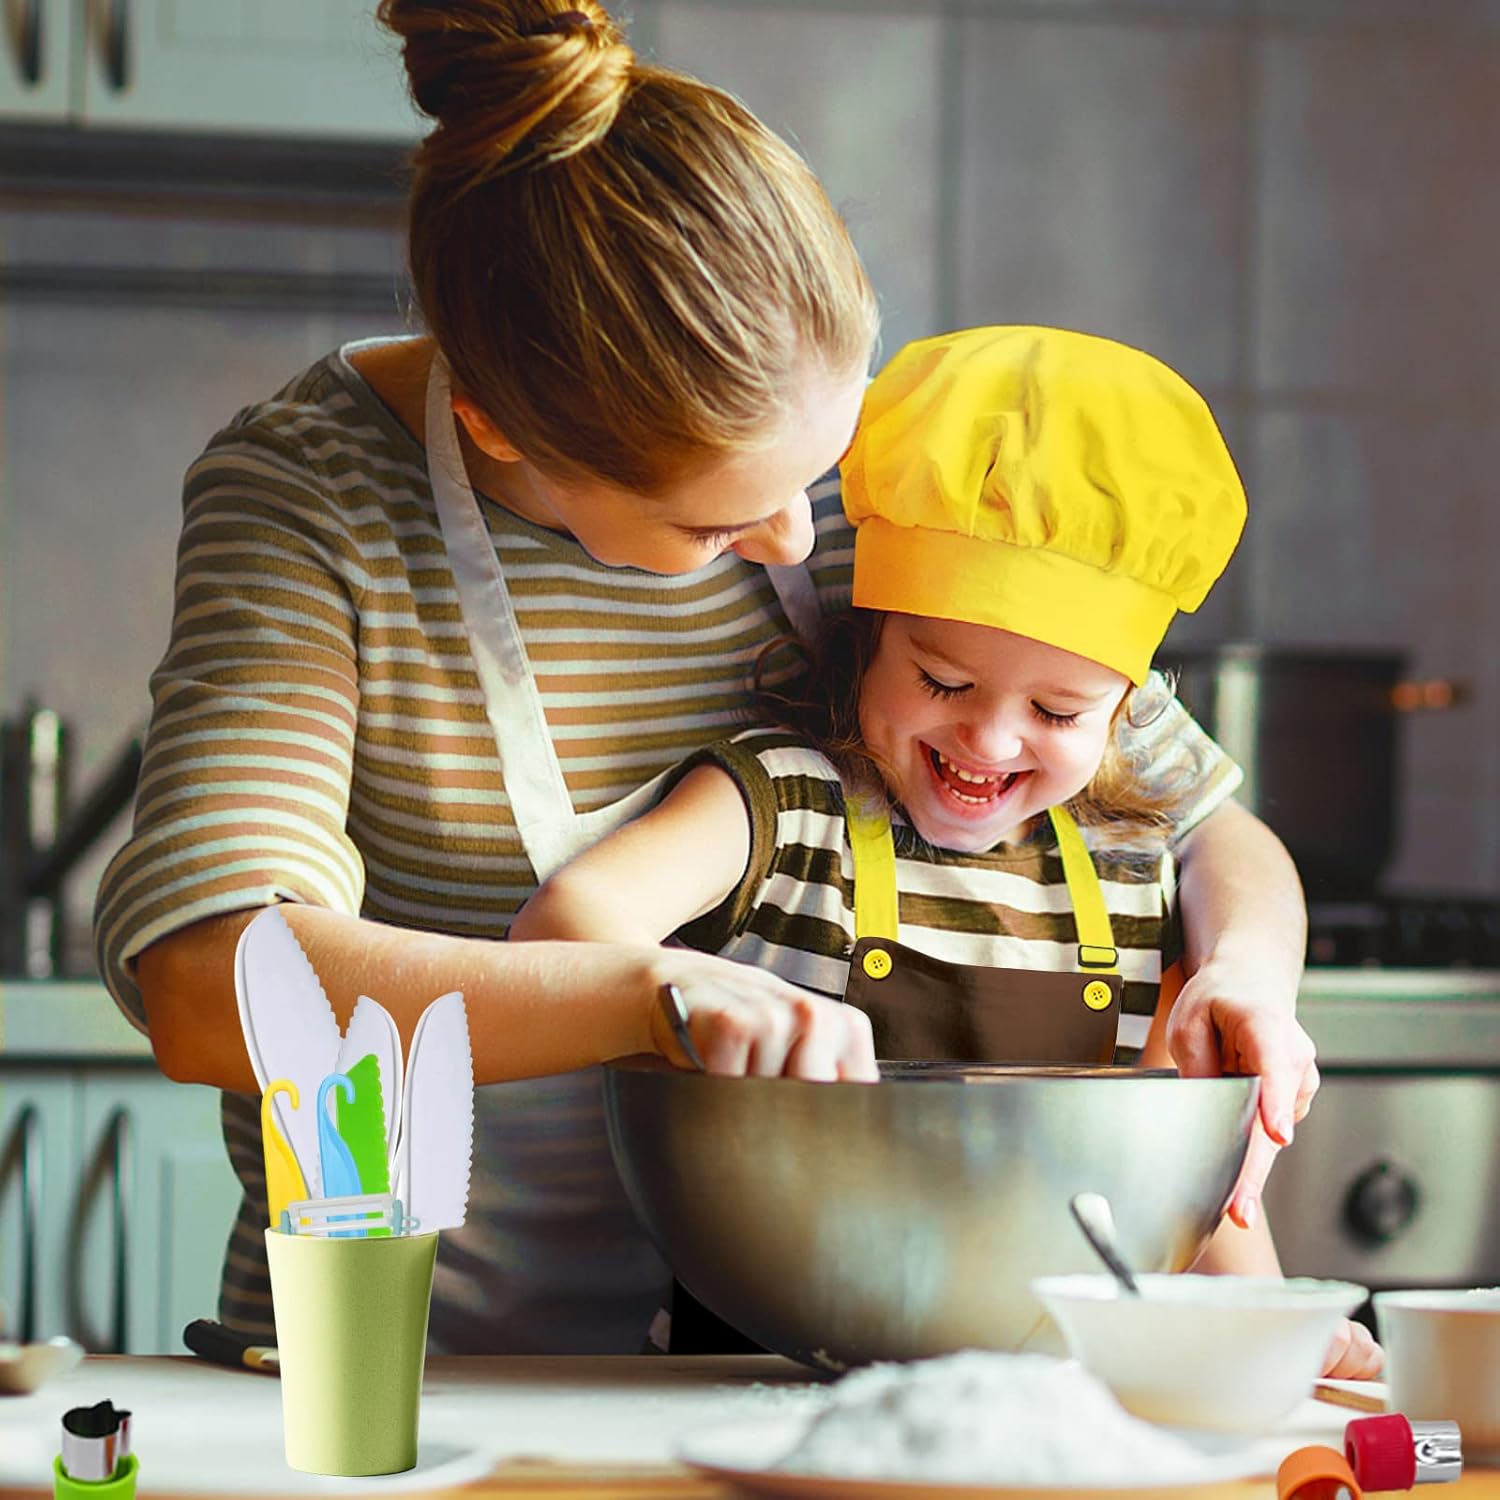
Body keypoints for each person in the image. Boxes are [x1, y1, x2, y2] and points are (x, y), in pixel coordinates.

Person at [92, 0, 1315, 1360]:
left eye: (820, 473)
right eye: (716, 526)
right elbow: (208, 981)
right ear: (501, 428)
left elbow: (1200, 823)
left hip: (780, 1369)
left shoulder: (866, 479)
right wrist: (643, 994)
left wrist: (1246, 971)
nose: (800, 540)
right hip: (418, 1361)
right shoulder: (317, 500)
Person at [511, 325, 1381, 1378]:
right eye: (943, 682)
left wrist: (1266, 1327)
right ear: (868, 639)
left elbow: (1188, 1170)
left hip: (1044, 1397)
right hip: (749, 1377)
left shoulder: (1129, 859)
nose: (991, 741)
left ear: (1129, 715)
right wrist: (687, 994)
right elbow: (566, 925)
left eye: (1058, 711)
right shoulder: (786, 805)